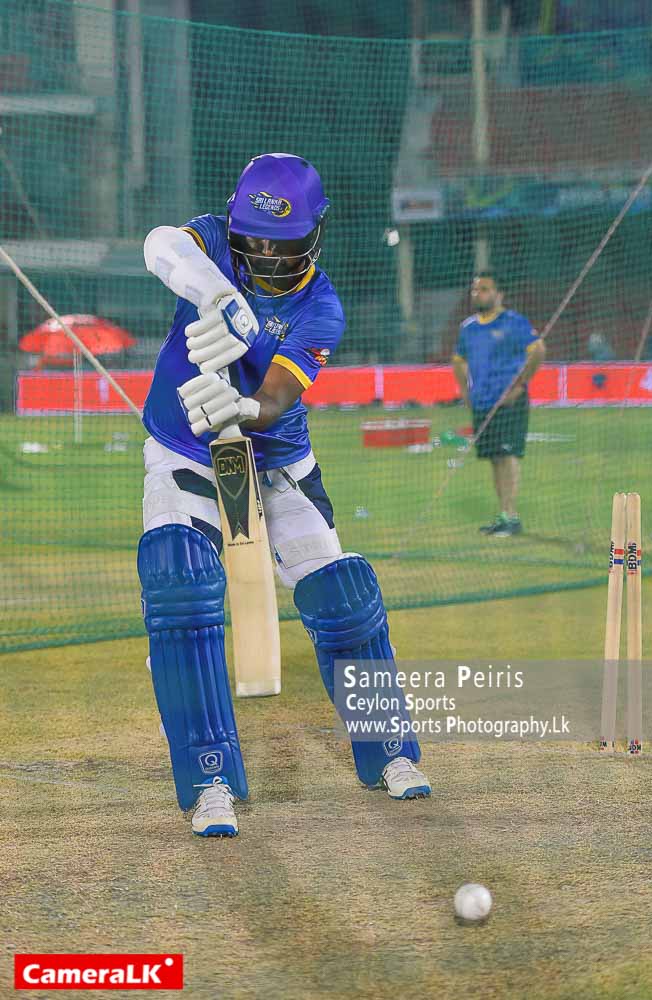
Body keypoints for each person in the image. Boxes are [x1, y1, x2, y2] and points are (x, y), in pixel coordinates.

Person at [138, 153, 431, 837]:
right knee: (180, 586)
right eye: (255, 240)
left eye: (282, 242)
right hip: (185, 450)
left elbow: (274, 400)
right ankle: (210, 778)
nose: (266, 255)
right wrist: (216, 295)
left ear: (314, 234)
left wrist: (243, 407)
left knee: (344, 599)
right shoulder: (213, 243)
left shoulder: (320, 308)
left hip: (274, 461)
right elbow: (160, 244)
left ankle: (389, 749)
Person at [452, 271, 546, 537]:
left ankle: (512, 517)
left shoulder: (514, 322)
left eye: (484, 289)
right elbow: (458, 360)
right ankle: (503, 515)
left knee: (507, 455)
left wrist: (520, 385)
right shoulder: (468, 327)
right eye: (475, 289)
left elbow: (538, 350)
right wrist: (465, 391)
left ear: (499, 294)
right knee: (494, 458)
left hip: (509, 402)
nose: (477, 294)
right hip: (482, 402)